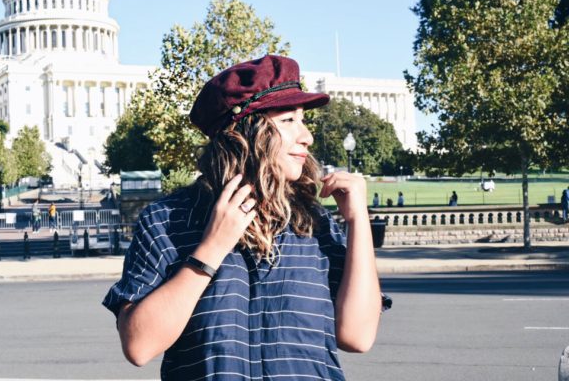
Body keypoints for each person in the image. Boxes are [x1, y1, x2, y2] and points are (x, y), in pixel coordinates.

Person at [103, 55, 384, 380]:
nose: (306, 136)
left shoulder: (312, 222)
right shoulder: (168, 220)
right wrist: (211, 249)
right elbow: (139, 345)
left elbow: (358, 337)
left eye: (303, 120)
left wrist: (358, 221)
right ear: (247, 132)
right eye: (289, 120)